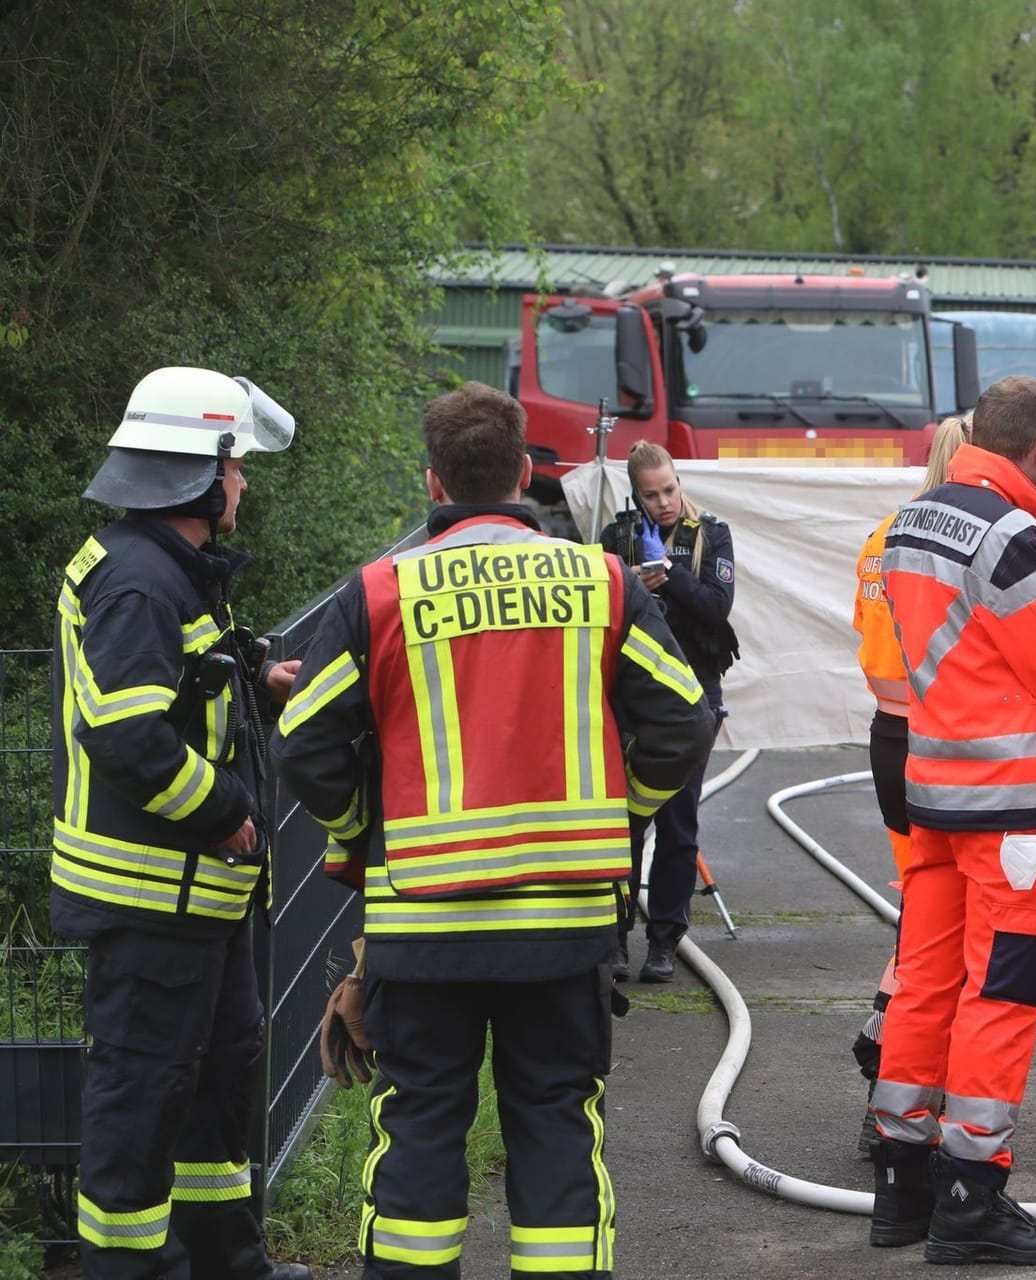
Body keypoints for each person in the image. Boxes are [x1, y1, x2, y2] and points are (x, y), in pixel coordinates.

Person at [273, 381, 712, 1279]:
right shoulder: (601, 580)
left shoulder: (381, 594)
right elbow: (683, 721)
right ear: (522, 472)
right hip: (563, 922)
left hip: (422, 929)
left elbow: (305, 743)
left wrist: (366, 836)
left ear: (433, 483)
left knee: (418, 1128)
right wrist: (620, 818)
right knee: (556, 1121)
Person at [50, 366, 310, 1280]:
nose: (241, 483)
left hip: (200, 900)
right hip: (152, 899)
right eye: (235, 465)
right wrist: (226, 810)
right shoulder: (140, 583)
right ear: (200, 472)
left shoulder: (170, 569)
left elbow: (179, 695)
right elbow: (126, 736)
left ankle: (221, 1260)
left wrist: (258, 687)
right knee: (142, 1095)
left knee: (220, 1078)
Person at [867, 375, 1036, 1265]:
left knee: (927, 980)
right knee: (1001, 993)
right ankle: (971, 1193)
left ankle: (901, 1178)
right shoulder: (1016, 538)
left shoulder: (910, 521)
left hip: (932, 791)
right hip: (1011, 813)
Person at [848, 414, 970, 1157]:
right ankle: (892, 1050)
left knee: (921, 903)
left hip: (887, 734)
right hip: (942, 739)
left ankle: (893, 1071)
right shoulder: (959, 541)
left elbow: (863, 627)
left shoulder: (880, 537)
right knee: (940, 923)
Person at [599, 441, 739, 983]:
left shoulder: (712, 534)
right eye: (652, 494)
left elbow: (716, 607)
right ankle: (614, 941)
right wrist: (633, 582)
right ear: (636, 494)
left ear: (680, 482)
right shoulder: (616, 537)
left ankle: (665, 941)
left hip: (695, 694)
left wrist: (669, 577)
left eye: (670, 490)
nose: (664, 503)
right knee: (622, 822)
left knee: (679, 823)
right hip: (632, 697)